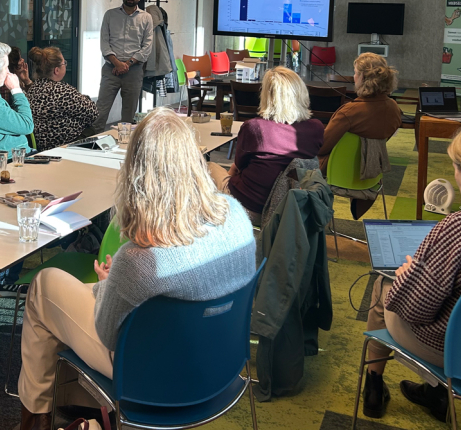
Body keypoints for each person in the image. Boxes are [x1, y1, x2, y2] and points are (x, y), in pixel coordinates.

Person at [16, 107, 256, 430]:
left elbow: (106, 332)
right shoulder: (238, 217)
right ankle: (84, 409)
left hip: (154, 372)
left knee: (44, 286)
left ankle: (38, 419)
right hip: (221, 363)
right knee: (96, 293)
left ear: (136, 174)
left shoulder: (139, 260)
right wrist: (114, 283)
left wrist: (108, 285)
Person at [361, 130, 461, 422]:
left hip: (450, 351)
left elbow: (416, 309)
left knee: (384, 286)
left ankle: (374, 387)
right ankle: (436, 394)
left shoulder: (454, 229)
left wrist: (409, 273)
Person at [208, 67, 324, 226]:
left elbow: (240, 164)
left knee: (207, 167)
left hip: (250, 207)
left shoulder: (255, 128)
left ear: (267, 97)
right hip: (293, 212)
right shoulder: (316, 128)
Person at [318, 53, 401, 171]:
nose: (354, 77)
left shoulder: (349, 112)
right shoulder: (394, 108)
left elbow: (322, 148)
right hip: (371, 170)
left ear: (363, 78)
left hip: (337, 169)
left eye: (356, 73)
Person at [92, 0, 153, 133]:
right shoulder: (110, 15)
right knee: (100, 111)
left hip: (134, 71)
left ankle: (124, 148)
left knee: (128, 114)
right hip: (111, 69)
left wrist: (127, 64)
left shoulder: (146, 18)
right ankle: (93, 144)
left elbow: (147, 47)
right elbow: (104, 43)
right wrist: (117, 63)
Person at [26, 46, 98, 151]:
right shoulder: (63, 91)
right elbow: (93, 113)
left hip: (41, 144)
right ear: (56, 70)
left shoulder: (33, 89)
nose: (65, 65)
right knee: (91, 130)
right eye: (64, 63)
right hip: (63, 144)